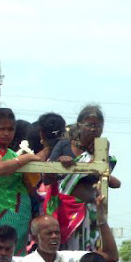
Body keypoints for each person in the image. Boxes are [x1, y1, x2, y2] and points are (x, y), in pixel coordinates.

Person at [45, 105, 121, 250]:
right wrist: (61, 163)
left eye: (98, 126)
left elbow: (109, 179)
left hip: (90, 213)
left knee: (88, 256)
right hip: (65, 212)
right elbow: (46, 178)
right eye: (90, 125)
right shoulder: (64, 146)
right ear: (79, 126)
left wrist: (96, 158)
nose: (94, 129)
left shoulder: (103, 151)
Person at [0, 108, 43, 254]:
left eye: (10, 129)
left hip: (20, 215)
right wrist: (26, 158)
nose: (6, 133)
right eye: (1, 129)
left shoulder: (12, 154)